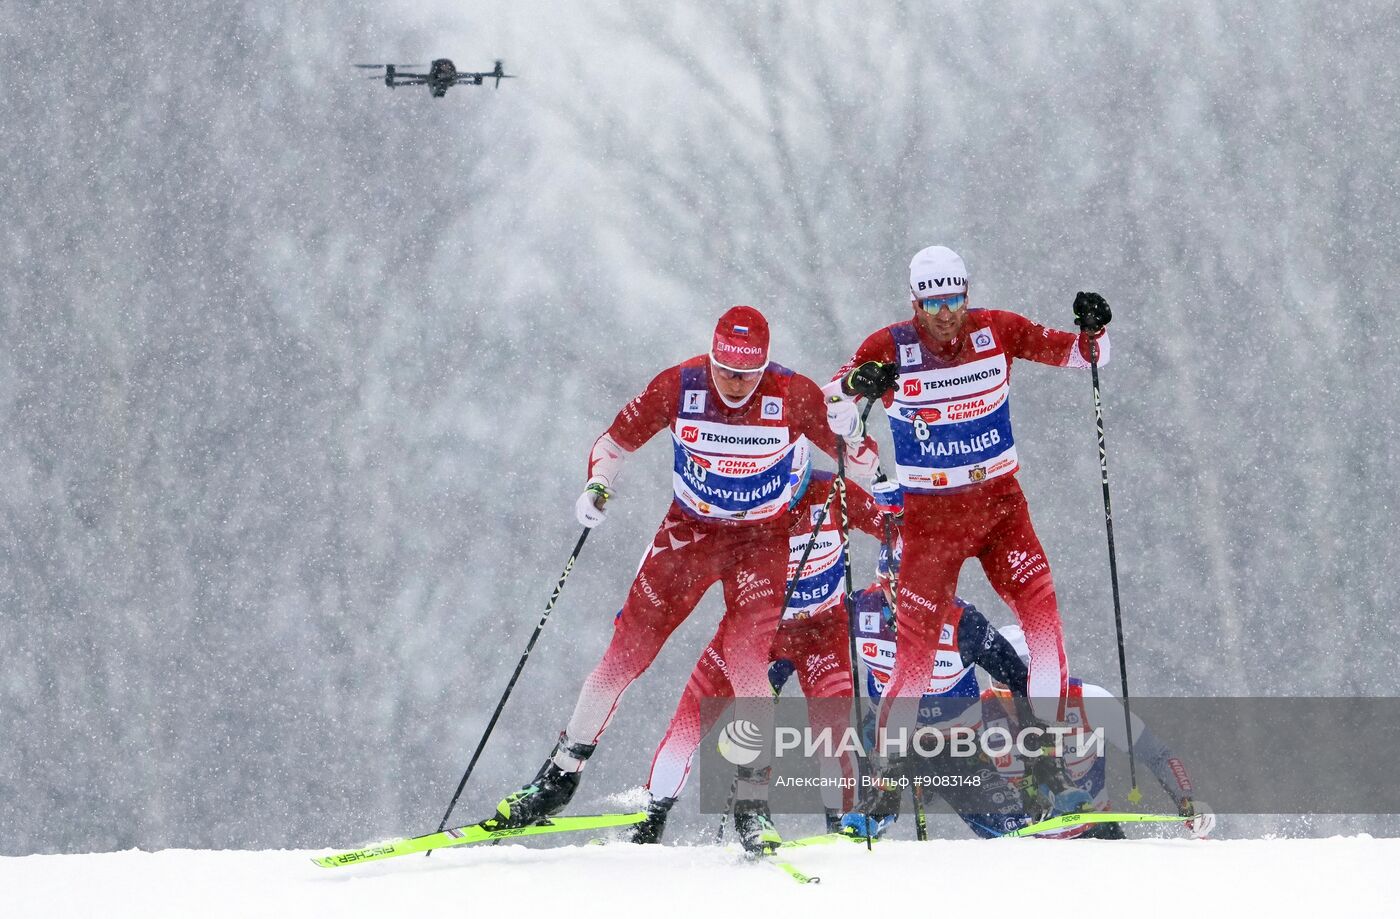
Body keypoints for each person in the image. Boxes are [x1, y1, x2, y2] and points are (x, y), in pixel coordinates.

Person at [485, 306, 876, 856]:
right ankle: (559, 776)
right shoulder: (680, 385)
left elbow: (861, 469)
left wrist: (851, 429)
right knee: (622, 659)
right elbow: (614, 444)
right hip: (687, 537)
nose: (734, 384)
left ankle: (751, 801)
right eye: (724, 370)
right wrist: (598, 485)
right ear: (711, 358)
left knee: (747, 666)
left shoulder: (794, 394)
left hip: (762, 545)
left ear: (765, 365)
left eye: (747, 373)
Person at [825, 245, 1113, 743]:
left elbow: (1085, 357)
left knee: (1042, 614)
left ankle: (1052, 740)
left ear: (966, 294)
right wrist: (856, 383)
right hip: (930, 522)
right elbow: (832, 406)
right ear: (914, 302)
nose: (945, 314)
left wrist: (1094, 332)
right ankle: (888, 772)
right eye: (932, 303)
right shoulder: (890, 345)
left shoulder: (996, 329)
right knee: (914, 655)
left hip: (1000, 506)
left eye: (953, 300)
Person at [629, 438, 892, 844]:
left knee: (833, 729)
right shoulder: (741, 501)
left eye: (789, 488)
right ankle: (651, 818)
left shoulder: (834, 493)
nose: (778, 503)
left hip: (822, 632)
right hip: (753, 631)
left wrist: (895, 509)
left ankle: (840, 826)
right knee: (693, 718)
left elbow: (893, 527)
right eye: (770, 488)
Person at [836, 542, 1038, 840]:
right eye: (894, 586)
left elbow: (1020, 679)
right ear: (882, 582)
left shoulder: (965, 622)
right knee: (857, 824)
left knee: (1011, 832)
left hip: (955, 745)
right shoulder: (861, 608)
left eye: (918, 586)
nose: (906, 598)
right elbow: (806, 638)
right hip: (885, 741)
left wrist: (1038, 760)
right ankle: (856, 834)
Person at [979, 626, 1216, 840]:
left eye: (1025, 682)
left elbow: (1157, 755)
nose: (1015, 695)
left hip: (1095, 832)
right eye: (1002, 684)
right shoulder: (977, 713)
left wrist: (1187, 801)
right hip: (1023, 844)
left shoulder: (1088, 701)